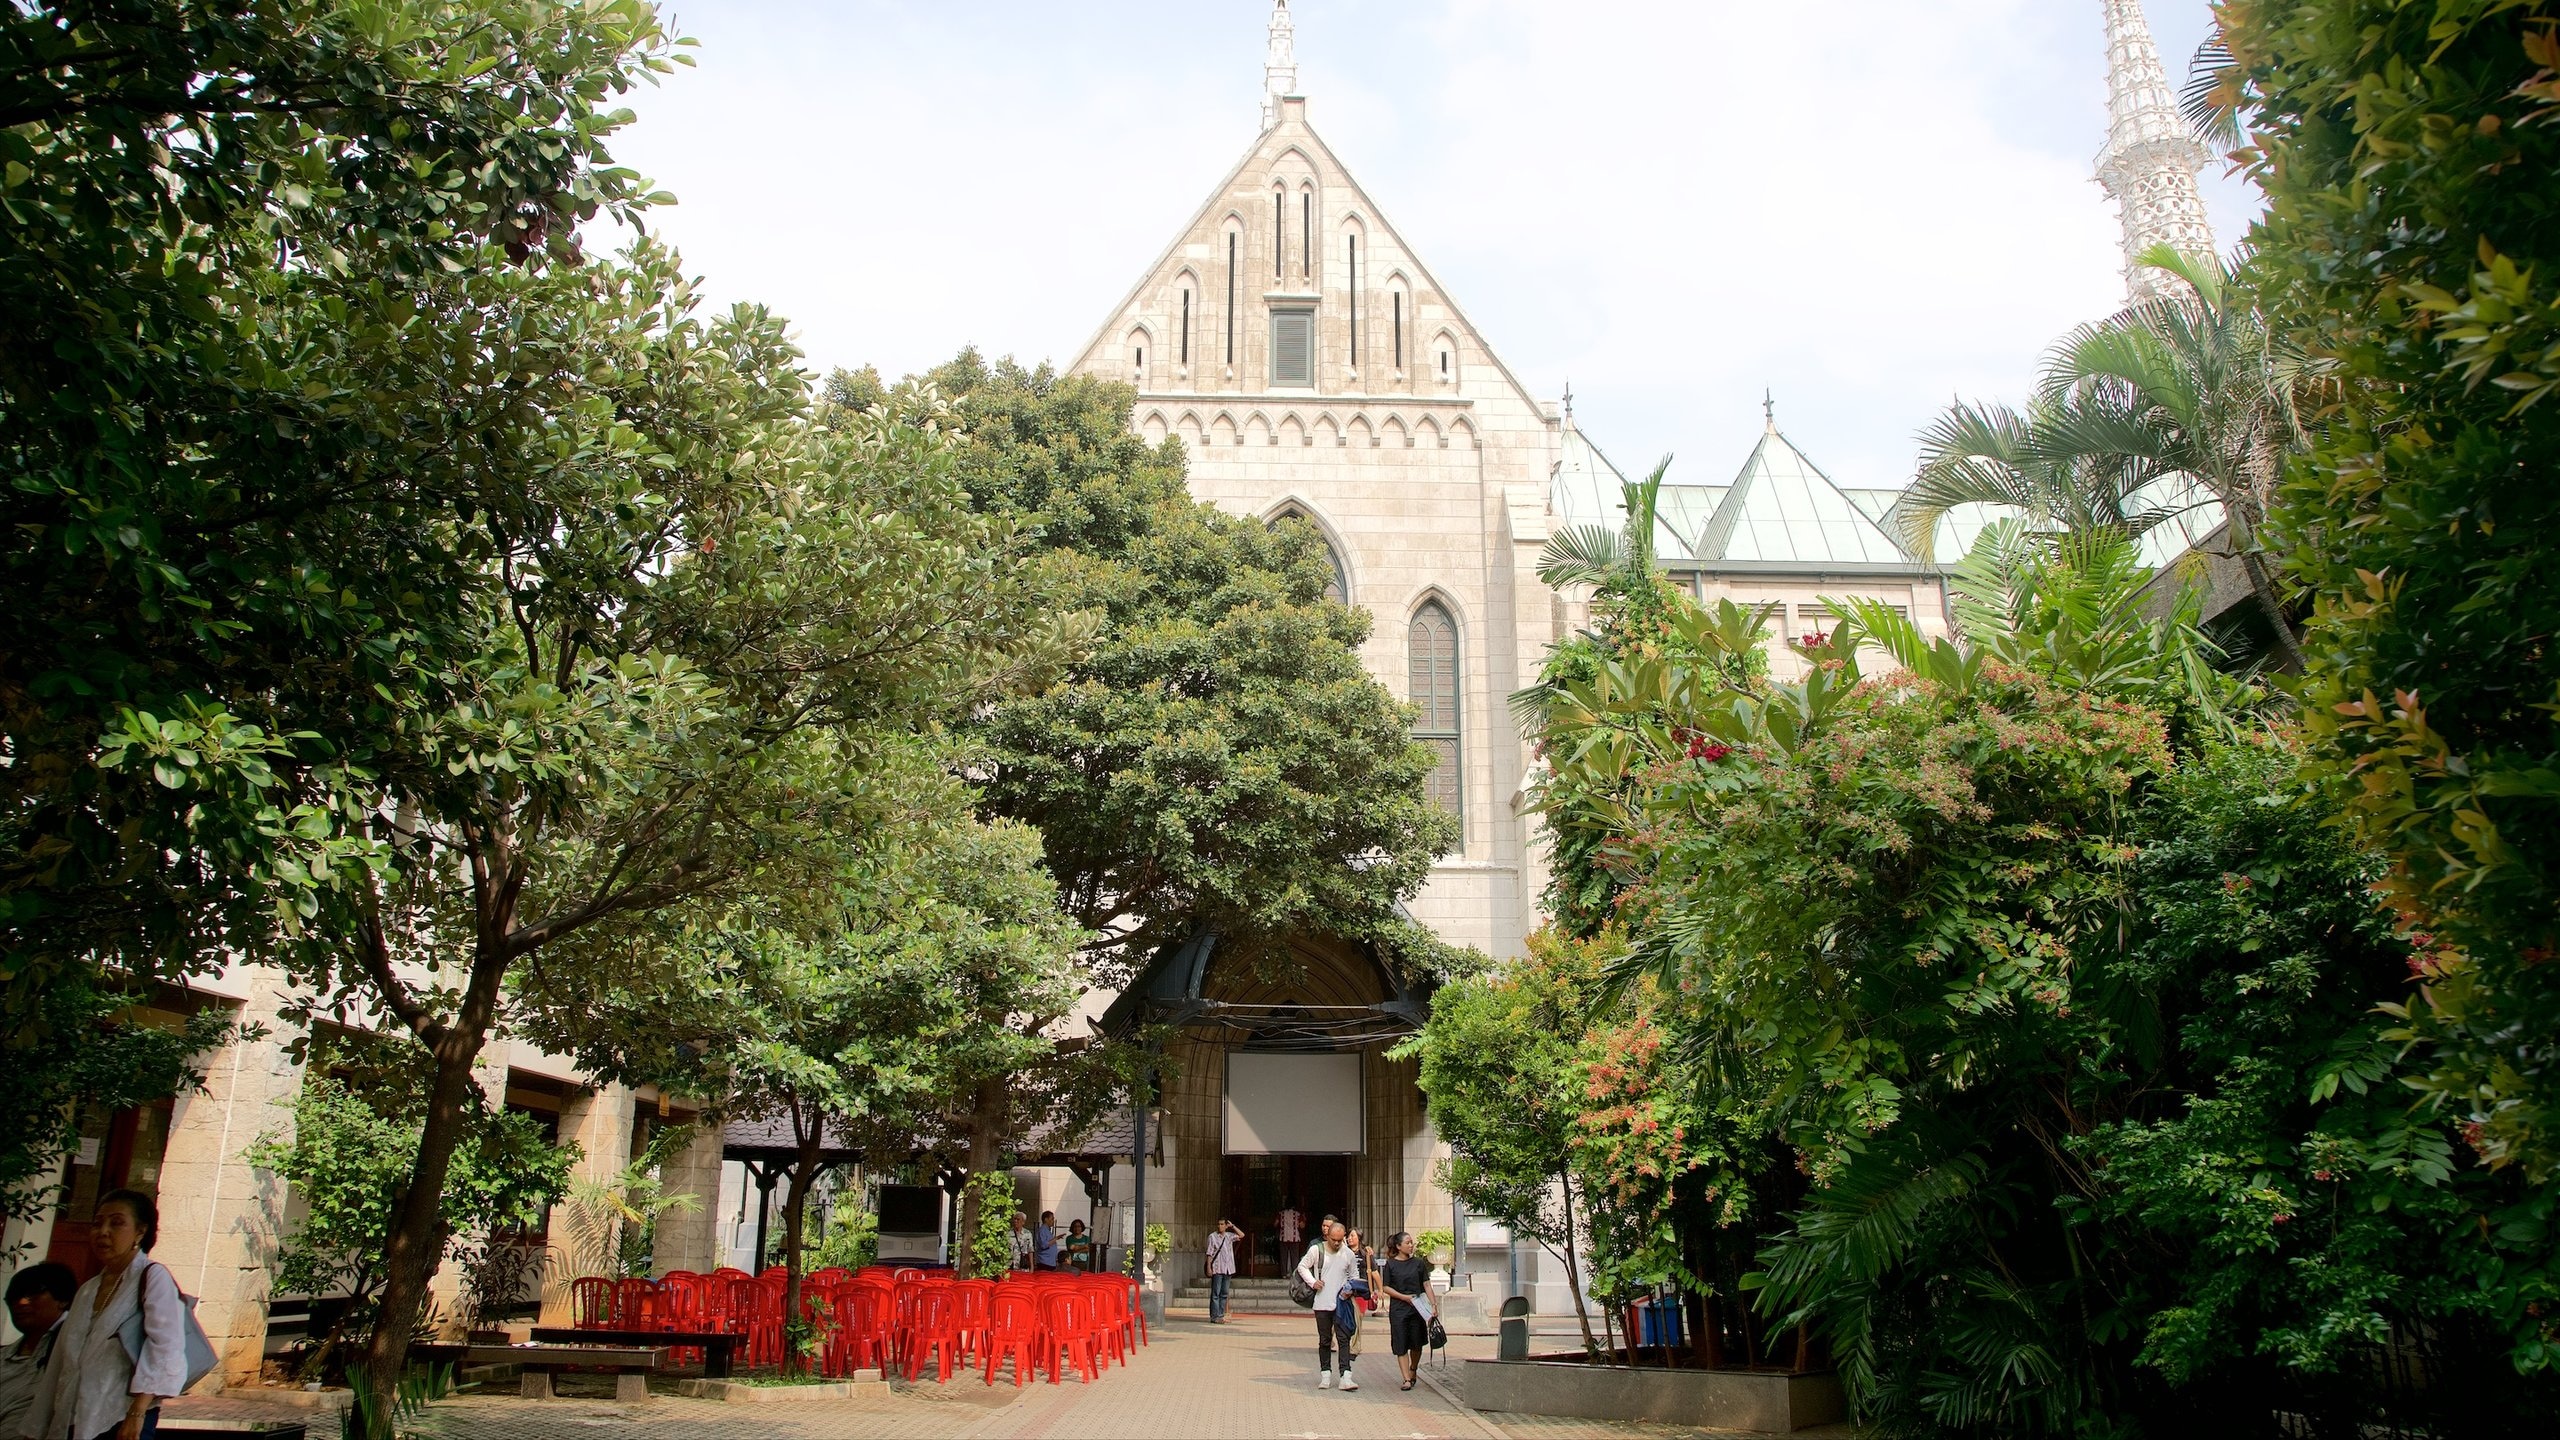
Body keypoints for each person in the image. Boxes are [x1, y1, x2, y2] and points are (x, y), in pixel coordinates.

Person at [31, 1190, 186, 1440]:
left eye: (116, 1223)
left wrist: (137, 1413)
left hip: (120, 1416)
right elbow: (61, 1360)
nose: (103, 1232)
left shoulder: (153, 1277)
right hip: (75, 1416)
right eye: (97, 1223)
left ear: (140, 1231)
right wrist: (38, 1426)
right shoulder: (88, 1289)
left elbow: (165, 1348)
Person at [1, 1264, 75, 1440]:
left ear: (63, 1299)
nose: (21, 1303)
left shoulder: (75, 1347)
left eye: (32, 1294)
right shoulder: (6, 1355)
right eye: (13, 1297)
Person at [1294, 1221, 1361, 1391]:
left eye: (1339, 1240)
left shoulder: (1348, 1254)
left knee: (1344, 1339)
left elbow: (1354, 1275)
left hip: (1342, 1303)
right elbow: (1302, 1266)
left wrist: (1350, 1289)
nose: (1336, 1243)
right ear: (1327, 1236)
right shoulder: (1316, 1250)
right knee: (1325, 1340)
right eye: (1333, 1240)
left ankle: (1346, 1375)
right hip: (1322, 1303)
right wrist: (1313, 1282)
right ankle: (1325, 1374)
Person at [1375, 1231, 1435, 1392]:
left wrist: (1433, 1305)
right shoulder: (1391, 1264)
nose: (1411, 1245)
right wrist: (1403, 1297)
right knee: (1400, 1343)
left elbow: (1426, 1285)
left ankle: (1413, 1368)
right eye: (1407, 1243)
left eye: (1411, 1242)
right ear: (1398, 1246)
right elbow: (1386, 1287)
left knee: (1417, 1343)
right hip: (1399, 1309)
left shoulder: (1418, 1263)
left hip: (1418, 1308)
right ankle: (1406, 1379)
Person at [1202, 1220, 1240, 1324]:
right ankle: (1214, 1316)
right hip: (1217, 1268)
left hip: (1228, 1268)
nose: (1220, 1226)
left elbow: (1241, 1235)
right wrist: (1209, 1267)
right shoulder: (1212, 1236)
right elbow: (1209, 1253)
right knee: (1216, 1293)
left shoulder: (1229, 1236)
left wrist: (1233, 1226)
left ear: (1226, 1226)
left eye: (1222, 1224)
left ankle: (1220, 1315)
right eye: (1218, 1224)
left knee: (1224, 1293)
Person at [1273, 1200, 1305, 1273]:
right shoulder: (1297, 1214)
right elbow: (1302, 1226)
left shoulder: (1281, 1214)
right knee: (1295, 1257)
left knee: (1283, 1256)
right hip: (1294, 1238)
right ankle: (1294, 1273)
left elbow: (1275, 1224)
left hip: (1283, 1237)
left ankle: (1284, 1273)